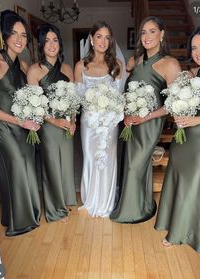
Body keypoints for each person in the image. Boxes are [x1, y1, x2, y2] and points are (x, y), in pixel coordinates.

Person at [110, 16, 181, 223]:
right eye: (143, 32)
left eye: (152, 31)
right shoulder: (136, 61)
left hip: (150, 123)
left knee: (136, 164)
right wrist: (125, 113)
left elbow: (172, 104)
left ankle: (134, 211)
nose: (147, 36)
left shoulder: (170, 64)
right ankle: (141, 203)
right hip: (131, 122)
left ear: (162, 34)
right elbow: (126, 90)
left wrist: (146, 116)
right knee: (128, 161)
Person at [154, 22, 200, 253]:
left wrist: (198, 120)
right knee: (177, 180)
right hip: (183, 139)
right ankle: (172, 223)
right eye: (193, 48)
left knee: (194, 187)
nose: (198, 52)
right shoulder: (191, 74)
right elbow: (177, 103)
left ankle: (182, 233)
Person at [0, 10, 41, 236]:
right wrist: (19, 120)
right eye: (14, 34)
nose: (19, 39)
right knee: (16, 169)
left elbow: (34, 91)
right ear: (4, 36)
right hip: (7, 129)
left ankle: (24, 213)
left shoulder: (23, 64)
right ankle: (20, 221)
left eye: (24, 35)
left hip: (25, 128)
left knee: (27, 168)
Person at [27, 23, 77, 222]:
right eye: (47, 41)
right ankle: (55, 210)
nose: (51, 44)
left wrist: (73, 121)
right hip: (48, 127)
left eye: (55, 40)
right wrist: (55, 121)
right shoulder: (34, 70)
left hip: (66, 126)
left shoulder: (67, 68)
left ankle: (64, 202)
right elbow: (35, 106)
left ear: (60, 43)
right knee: (51, 167)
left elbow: (73, 99)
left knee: (66, 165)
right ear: (41, 45)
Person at [74, 20, 123, 217]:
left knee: (108, 159)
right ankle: (91, 198)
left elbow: (118, 97)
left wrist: (108, 114)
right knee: (90, 158)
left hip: (109, 123)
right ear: (91, 40)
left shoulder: (116, 65)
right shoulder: (81, 66)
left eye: (107, 37)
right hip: (89, 122)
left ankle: (107, 201)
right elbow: (78, 98)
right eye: (99, 36)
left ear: (111, 42)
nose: (103, 41)